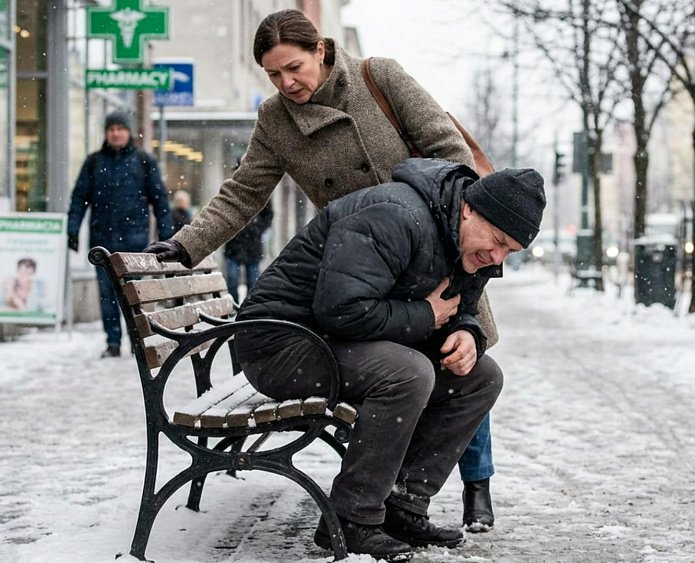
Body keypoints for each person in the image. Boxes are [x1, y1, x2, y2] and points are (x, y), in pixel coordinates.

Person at [144, 9, 499, 529]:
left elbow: (450, 152)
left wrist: (455, 229)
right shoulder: (276, 119)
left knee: (464, 358)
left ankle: (472, 486)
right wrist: (185, 245)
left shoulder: (381, 78)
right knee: (412, 371)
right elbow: (243, 193)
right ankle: (384, 503)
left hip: (432, 252)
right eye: (274, 75)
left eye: (295, 67)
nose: (288, 83)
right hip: (357, 269)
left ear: (322, 50)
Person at [234, 158, 545, 559]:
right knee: (408, 373)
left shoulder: (467, 243)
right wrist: (426, 316)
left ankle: (403, 505)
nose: (498, 257)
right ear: (469, 208)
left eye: (510, 250)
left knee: (481, 376)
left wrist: (467, 332)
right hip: (280, 345)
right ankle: (350, 521)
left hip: (332, 341)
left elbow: (457, 306)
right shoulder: (396, 216)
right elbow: (340, 309)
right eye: (498, 240)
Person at [68, 111, 174, 358]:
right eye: (111, 129)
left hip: (134, 243)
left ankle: (138, 341)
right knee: (107, 295)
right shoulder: (94, 162)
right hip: (102, 242)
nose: (115, 133)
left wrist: (167, 235)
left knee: (133, 296)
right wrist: (72, 229)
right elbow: (79, 198)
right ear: (106, 134)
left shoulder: (143, 161)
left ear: (128, 132)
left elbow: (160, 201)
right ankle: (113, 342)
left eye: (120, 128)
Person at [224, 201, 273, 303]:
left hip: (253, 246)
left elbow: (268, 215)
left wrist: (256, 227)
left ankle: (249, 307)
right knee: (232, 280)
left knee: (253, 281)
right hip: (234, 245)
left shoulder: (263, 190)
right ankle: (233, 307)